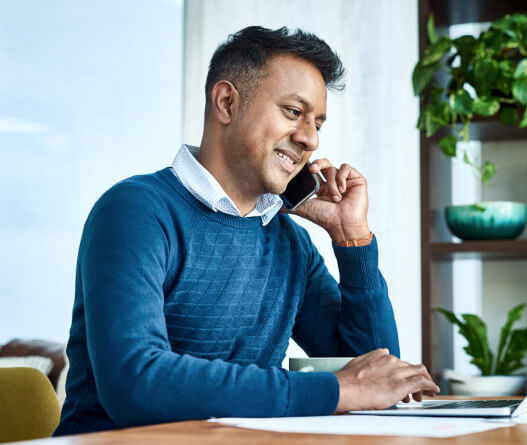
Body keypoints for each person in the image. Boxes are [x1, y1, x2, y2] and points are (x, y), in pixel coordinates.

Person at [54, 25, 439, 436]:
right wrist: (336, 389)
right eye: (293, 112)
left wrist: (352, 239)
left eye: (318, 124)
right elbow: (136, 383)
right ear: (226, 102)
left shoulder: (290, 242)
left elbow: (373, 374)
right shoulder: (135, 211)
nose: (309, 138)